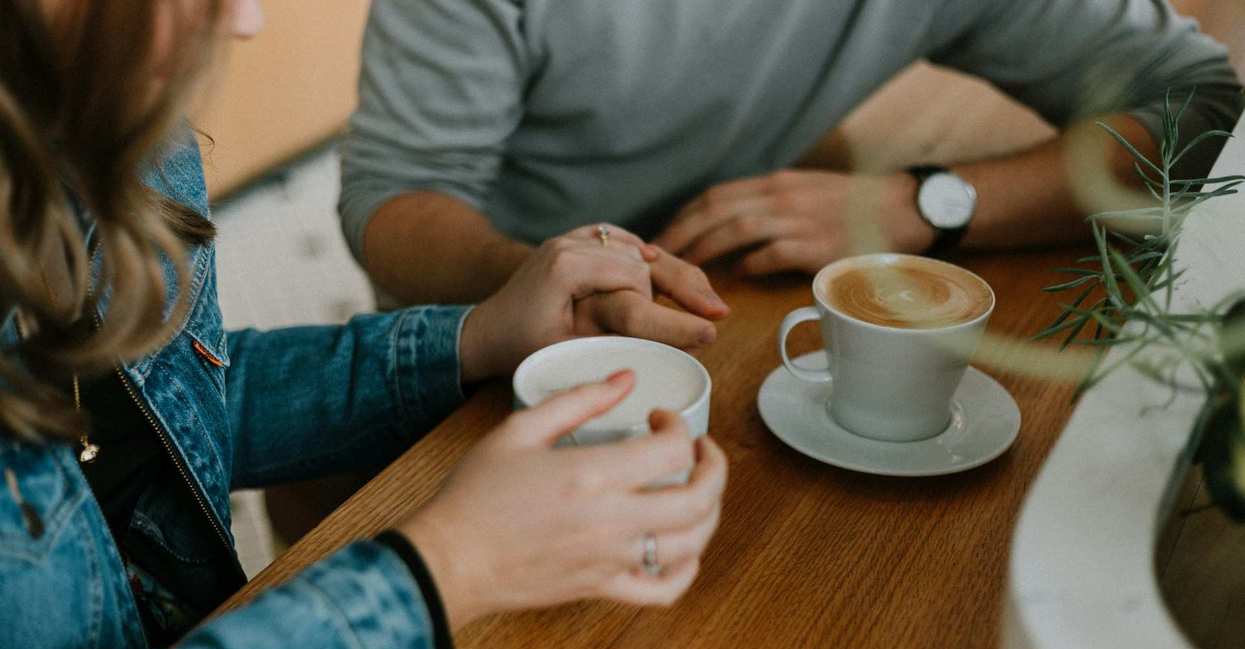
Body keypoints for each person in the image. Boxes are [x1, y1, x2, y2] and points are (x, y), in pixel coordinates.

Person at [0, 2, 729, 649]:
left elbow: (167, 409)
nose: (244, 20)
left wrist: (474, 337)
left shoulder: (105, 133)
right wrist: (442, 574)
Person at [340, 0, 1244, 305]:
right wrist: (554, 277)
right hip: (481, 319)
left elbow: (1206, 111)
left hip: (744, 289)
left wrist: (923, 204)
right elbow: (393, 201)